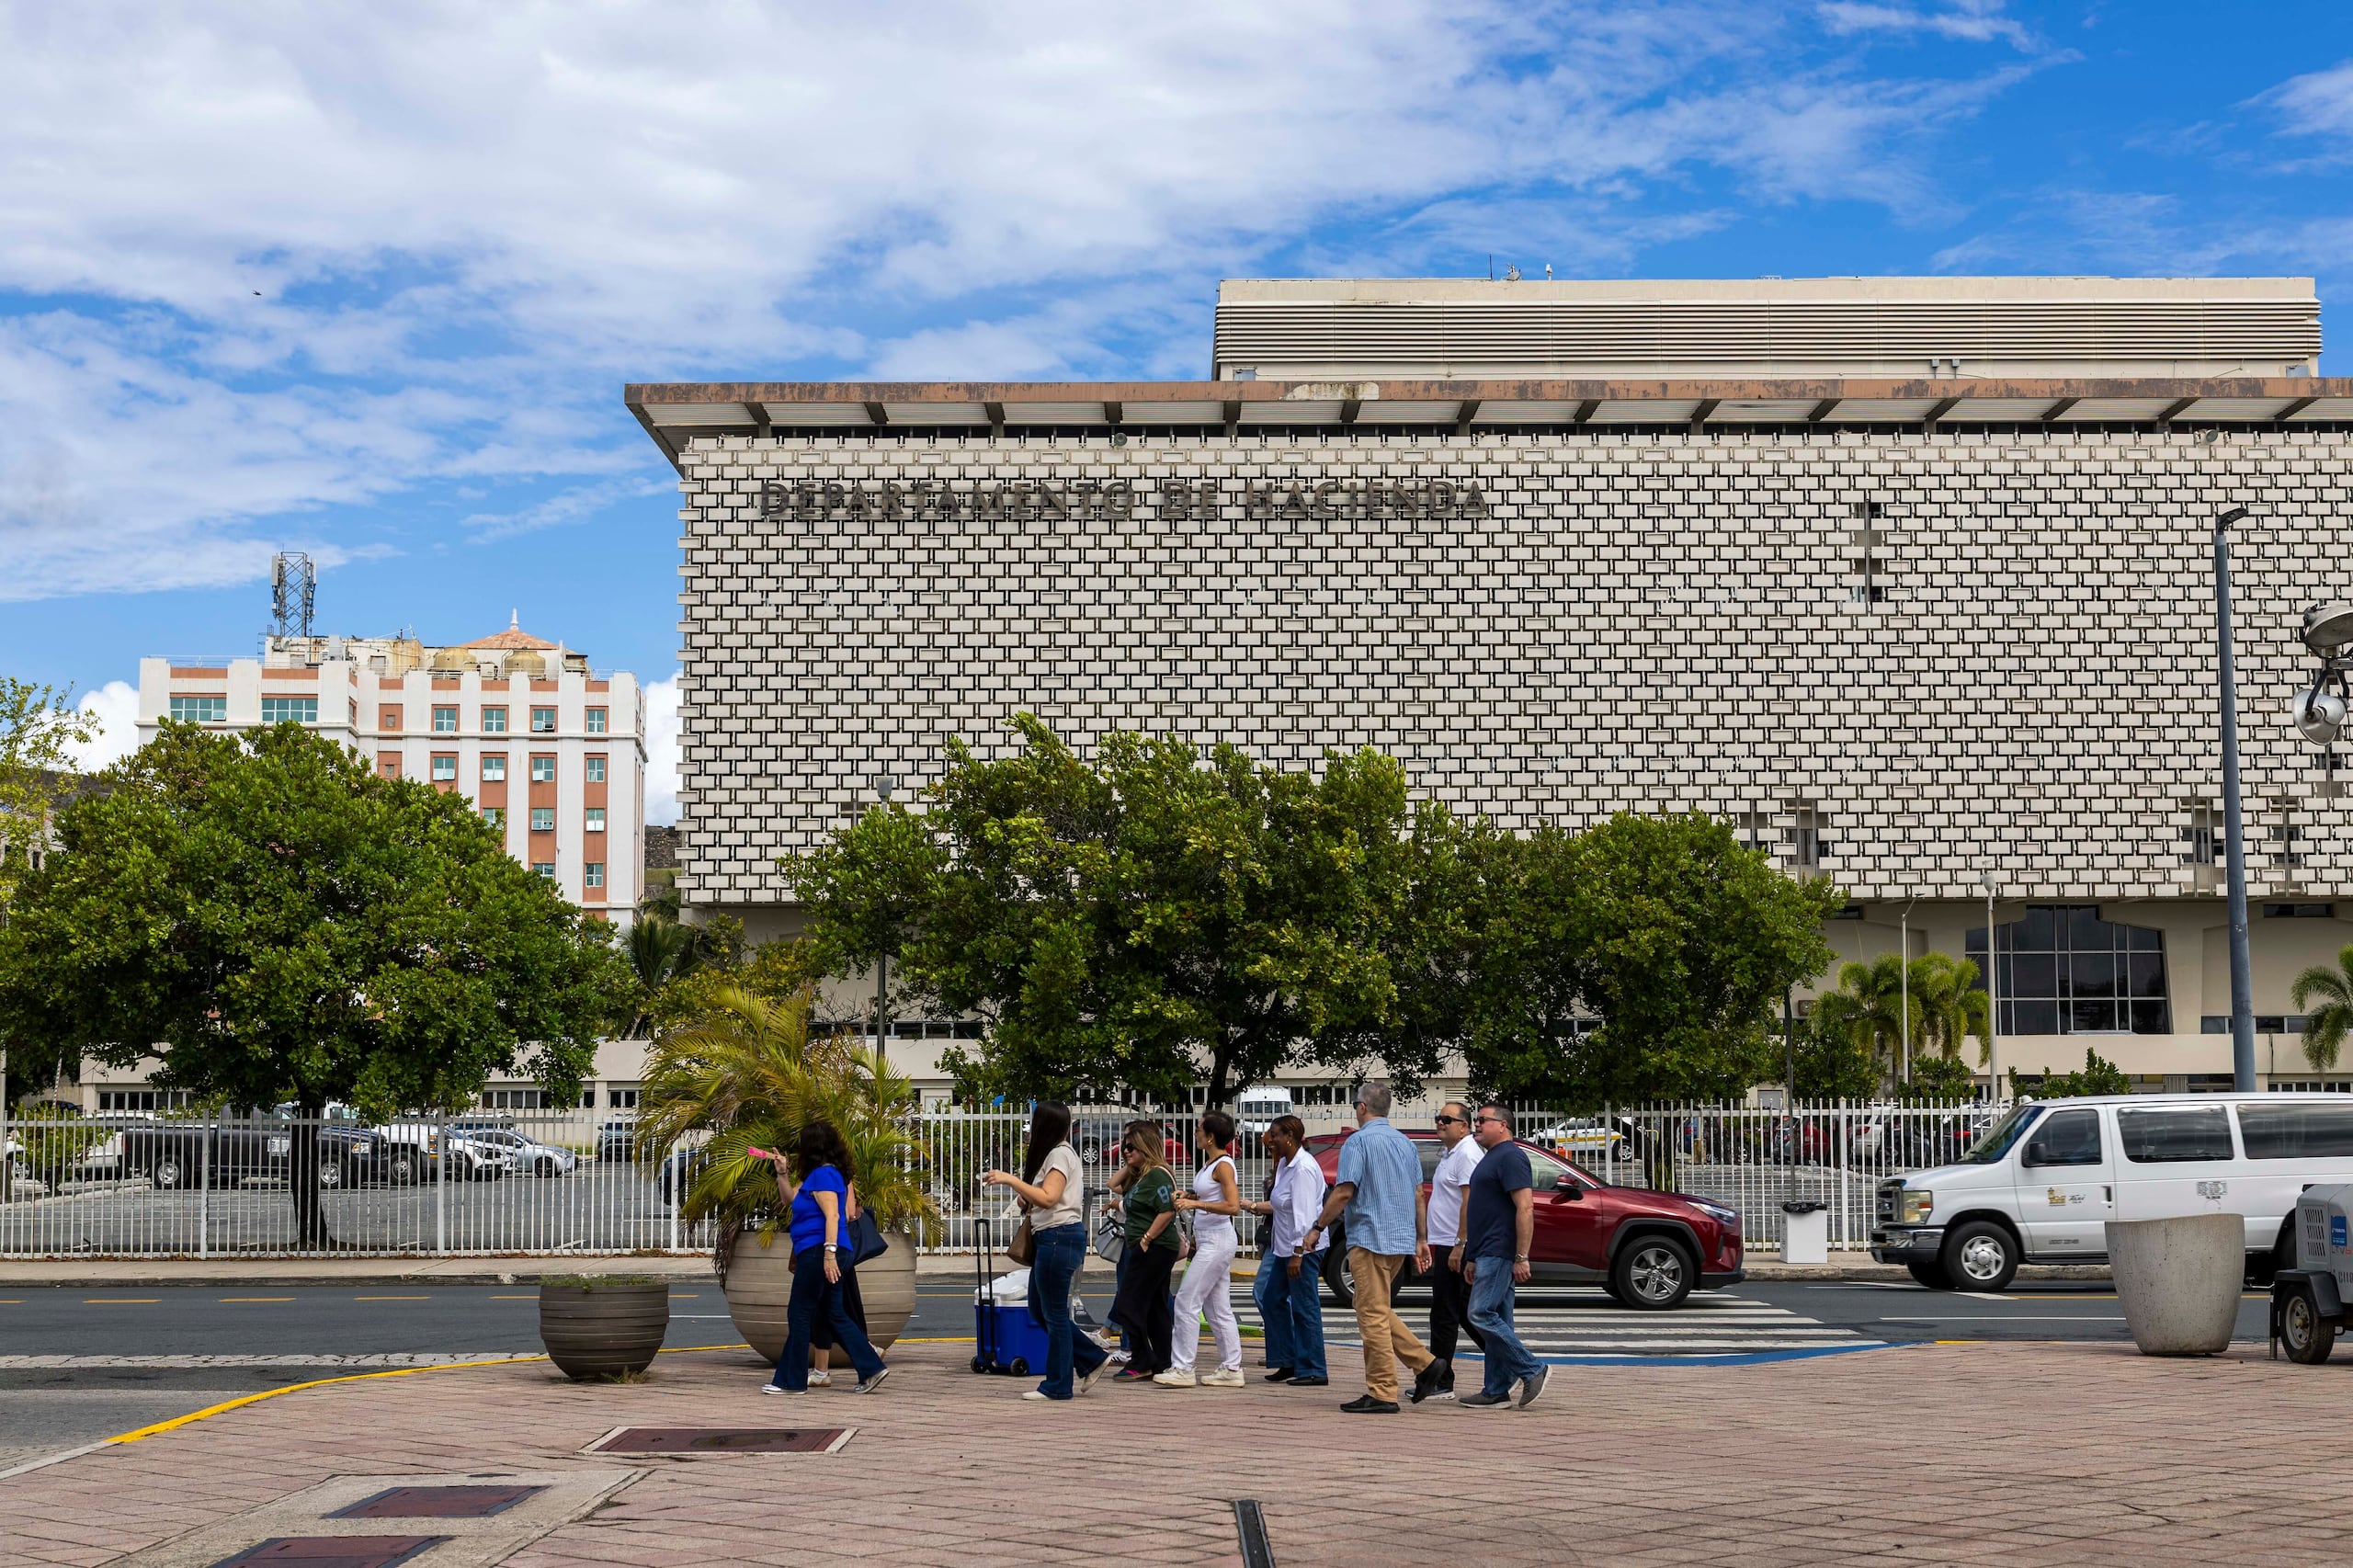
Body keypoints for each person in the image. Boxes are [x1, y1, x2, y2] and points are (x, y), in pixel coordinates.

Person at [1302, 1080, 1440, 1414]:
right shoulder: (1404, 1143)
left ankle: (1383, 1390)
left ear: (1362, 1107)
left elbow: (1345, 1191)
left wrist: (1318, 1227)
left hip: (1369, 1236)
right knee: (1374, 1308)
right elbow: (1419, 1193)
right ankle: (1425, 1364)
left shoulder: (1358, 1142)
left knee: (1371, 1316)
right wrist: (1421, 1239)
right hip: (1399, 1238)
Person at [983, 1101, 1108, 1401]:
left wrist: (1009, 1179)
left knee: (1052, 1314)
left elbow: (1050, 1197)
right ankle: (1091, 1358)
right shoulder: (1054, 1155)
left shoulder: (1060, 1154)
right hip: (1052, 1239)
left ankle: (1058, 1384)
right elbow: (1042, 1197)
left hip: (1058, 1238)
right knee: (1041, 1310)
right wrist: (1025, 1195)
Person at [763, 1119, 889, 1396]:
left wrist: (829, 1255)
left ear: (811, 1147)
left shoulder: (823, 1176)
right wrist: (782, 1174)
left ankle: (790, 1381)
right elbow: (789, 1200)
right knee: (834, 1313)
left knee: (800, 1312)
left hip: (820, 1250)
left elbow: (833, 1214)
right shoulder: (817, 1176)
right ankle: (871, 1368)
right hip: (825, 1250)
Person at [1452, 1104, 1547, 1410]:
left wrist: (1522, 1256)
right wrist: (1472, 1256)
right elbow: (1485, 1211)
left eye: (1482, 1120)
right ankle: (1495, 1390)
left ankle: (1532, 1368)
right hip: (1486, 1252)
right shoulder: (1491, 1157)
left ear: (1503, 1125)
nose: (1476, 1124)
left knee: (1480, 1314)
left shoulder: (1511, 1156)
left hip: (1500, 1251)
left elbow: (1525, 1208)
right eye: (1476, 1120)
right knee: (1499, 1318)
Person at [1157, 1110, 1245, 1388]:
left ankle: (1183, 1368)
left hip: (1217, 1240)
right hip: (1209, 1239)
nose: (1194, 1133)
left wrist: (1196, 1205)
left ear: (1210, 1136)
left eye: (1198, 1129)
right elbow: (1211, 1196)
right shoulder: (1211, 1164)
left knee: (1186, 1301)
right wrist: (1189, 1196)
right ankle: (1231, 1369)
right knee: (1217, 1309)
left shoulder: (1223, 1166)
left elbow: (1232, 1205)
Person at [1254, 1114, 1328, 1387]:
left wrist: (1298, 1254)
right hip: (1285, 1246)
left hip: (1303, 1249)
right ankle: (1287, 1360)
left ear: (1289, 1136)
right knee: (1272, 1299)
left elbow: (1305, 1217)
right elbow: (1282, 1206)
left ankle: (1314, 1368)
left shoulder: (1304, 1169)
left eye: (1274, 1135)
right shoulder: (1285, 1164)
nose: (1270, 1140)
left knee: (1304, 1307)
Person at [1421, 1099, 1488, 1399]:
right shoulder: (1452, 1153)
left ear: (1464, 1125)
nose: (1440, 1123)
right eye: (1439, 1118)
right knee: (1463, 1313)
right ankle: (1510, 1362)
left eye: (1446, 1119)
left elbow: (1470, 1201)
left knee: (1446, 1313)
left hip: (1456, 1244)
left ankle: (1442, 1380)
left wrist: (1461, 1244)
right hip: (1446, 1242)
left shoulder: (1467, 1154)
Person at [1107, 1119, 1179, 1381]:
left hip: (1155, 1248)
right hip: (1151, 1247)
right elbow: (1113, 1184)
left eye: (1132, 1148)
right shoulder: (1143, 1175)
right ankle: (1161, 1360)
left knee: (1128, 1303)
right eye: (1125, 1147)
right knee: (1155, 1306)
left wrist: (1147, 1239)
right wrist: (1130, 1162)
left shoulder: (1158, 1175)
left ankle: (1141, 1358)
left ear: (1145, 1148)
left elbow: (1167, 1210)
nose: (1126, 1151)